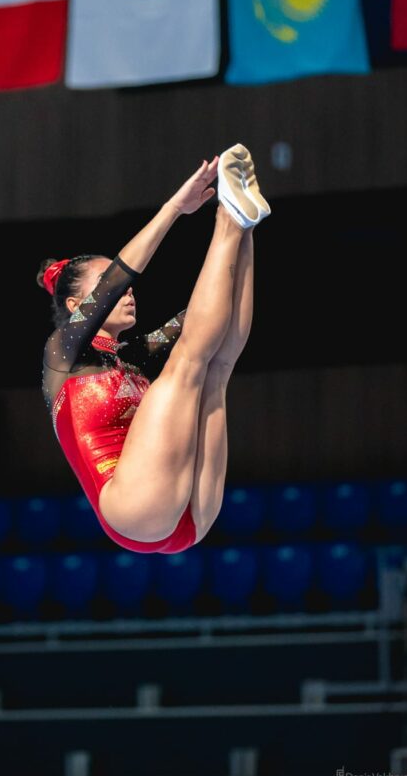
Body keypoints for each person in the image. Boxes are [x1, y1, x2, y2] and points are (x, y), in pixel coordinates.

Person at [38, 143, 270, 554]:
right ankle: (228, 218)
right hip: (135, 511)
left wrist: (239, 253)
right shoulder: (64, 354)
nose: (127, 293)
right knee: (189, 363)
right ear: (77, 307)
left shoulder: (129, 357)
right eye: (108, 283)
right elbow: (121, 277)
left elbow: (198, 317)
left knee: (216, 366)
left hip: (183, 514)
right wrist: (175, 208)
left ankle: (242, 227)